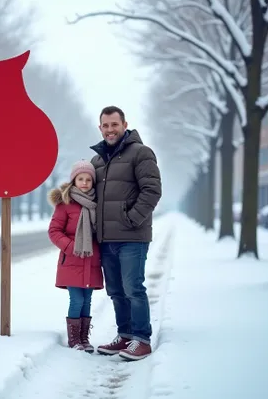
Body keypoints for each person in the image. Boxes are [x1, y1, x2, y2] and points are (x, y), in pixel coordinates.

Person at [90, 106, 162, 361]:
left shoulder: (141, 153)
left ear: (124, 125)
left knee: (133, 287)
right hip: (106, 238)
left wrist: (131, 219)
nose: (110, 130)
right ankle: (125, 335)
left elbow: (152, 190)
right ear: (100, 128)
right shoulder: (97, 160)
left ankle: (141, 339)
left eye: (114, 125)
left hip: (132, 237)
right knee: (116, 291)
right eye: (105, 126)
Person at [48, 160, 104, 352]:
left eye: (88, 179)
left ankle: (83, 339)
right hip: (72, 260)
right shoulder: (65, 204)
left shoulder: (97, 204)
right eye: (81, 179)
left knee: (87, 300)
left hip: (92, 260)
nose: (85, 183)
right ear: (74, 181)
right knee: (77, 299)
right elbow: (54, 231)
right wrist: (71, 247)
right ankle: (74, 340)